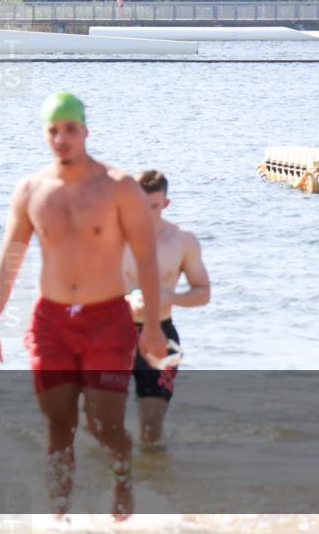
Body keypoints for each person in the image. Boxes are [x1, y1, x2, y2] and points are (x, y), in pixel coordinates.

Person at [0, 92, 166, 521]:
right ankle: (58, 517)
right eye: (53, 130)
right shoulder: (31, 190)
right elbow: (9, 259)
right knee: (58, 425)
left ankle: (122, 475)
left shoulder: (118, 187)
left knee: (102, 424)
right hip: (51, 323)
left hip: (106, 320)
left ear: (85, 131)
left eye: (70, 129)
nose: (62, 138)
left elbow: (147, 258)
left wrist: (152, 326)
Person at [123, 170, 211, 444]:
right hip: (114, 333)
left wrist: (171, 297)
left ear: (165, 204)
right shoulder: (112, 238)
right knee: (101, 418)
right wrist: (126, 301)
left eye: (153, 207)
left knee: (152, 428)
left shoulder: (182, 240)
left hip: (161, 334)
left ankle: (153, 470)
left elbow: (203, 292)